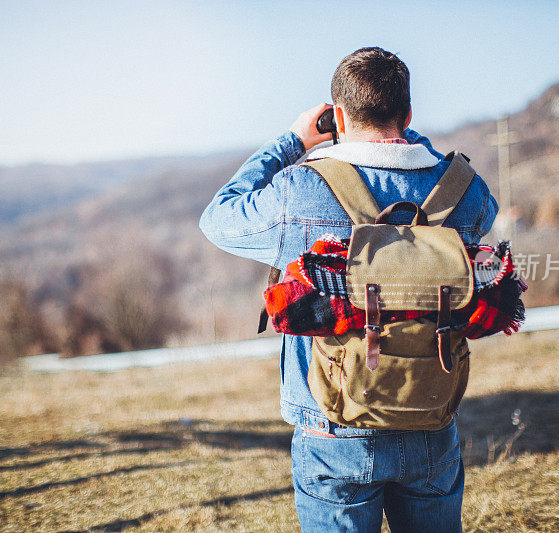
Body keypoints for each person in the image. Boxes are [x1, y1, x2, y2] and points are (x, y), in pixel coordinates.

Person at [200, 47, 498, 532]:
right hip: (431, 417)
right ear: (407, 115)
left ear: (337, 115)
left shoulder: (301, 188)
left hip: (333, 422)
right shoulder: (462, 190)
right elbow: (483, 214)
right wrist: (409, 137)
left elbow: (219, 217)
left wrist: (293, 140)